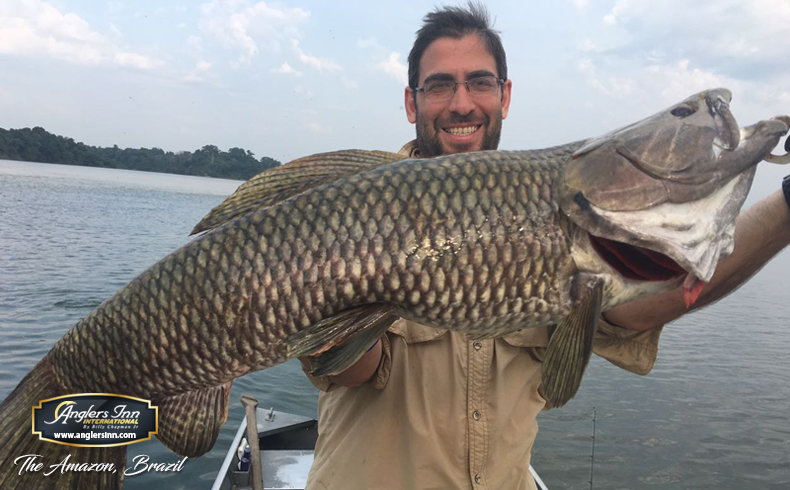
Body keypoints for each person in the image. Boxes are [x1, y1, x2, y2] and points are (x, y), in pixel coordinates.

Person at [301, 4, 790, 489]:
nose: (462, 103)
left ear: (505, 95)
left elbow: (641, 308)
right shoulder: (358, 213)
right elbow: (348, 372)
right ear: (412, 103)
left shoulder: (569, 222)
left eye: (480, 82)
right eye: (439, 85)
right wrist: (340, 297)